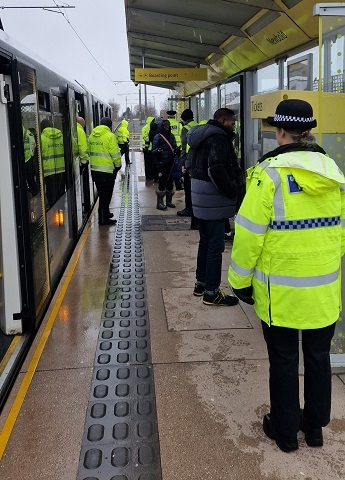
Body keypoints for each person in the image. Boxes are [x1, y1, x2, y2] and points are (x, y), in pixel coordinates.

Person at [228, 99, 345, 453]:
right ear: (308, 131)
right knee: (318, 357)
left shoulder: (270, 174)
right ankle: (314, 429)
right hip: (323, 287)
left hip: (279, 291)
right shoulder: (333, 172)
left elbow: (248, 233)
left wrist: (239, 281)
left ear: (280, 132)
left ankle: (284, 432)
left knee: (283, 360)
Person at [188, 107, 244, 306]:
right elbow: (216, 169)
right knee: (215, 246)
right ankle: (212, 292)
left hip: (201, 200)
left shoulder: (201, 136)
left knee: (205, 242)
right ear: (222, 120)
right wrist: (232, 190)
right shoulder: (219, 139)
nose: (234, 124)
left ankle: (201, 284)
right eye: (231, 121)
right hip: (213, 201)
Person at [88, 117, 122, 225]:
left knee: (101, 194)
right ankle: (103, 219)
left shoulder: (92, 136)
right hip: (107, 172)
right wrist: (118, 166)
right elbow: (115, 154)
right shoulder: (110, 136)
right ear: (109, 126)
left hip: (95, 171)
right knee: (106, 196)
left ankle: (106, 213)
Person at [176, 108, 198, 228]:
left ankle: (188, 208)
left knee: (188, 187)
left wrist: (183, 164)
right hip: (197, 161)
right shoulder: (198, 125)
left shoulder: (185, 129)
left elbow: (184, 148)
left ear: (184, 119)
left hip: (189, 162)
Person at [152, 119, 177, 210]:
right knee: (162, 182)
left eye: (168, 126)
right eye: (165, 126)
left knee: (170, 181)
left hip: (171, 162)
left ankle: (169, 201)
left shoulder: (171, 136)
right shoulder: (157, 137)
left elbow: (174, 146)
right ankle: (159, 203)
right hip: (161, 163)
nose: (167, 127)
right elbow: (153, 151)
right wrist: (157, 151)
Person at [40, 118, 66, 208]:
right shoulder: (61, 135)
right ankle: (61, 208)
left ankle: (53, 208)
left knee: (51, 192)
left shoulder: (41, 138)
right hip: (61, 169)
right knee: (60, 191)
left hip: (48, 171)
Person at [166, 110, 183, 190]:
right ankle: (178, 184)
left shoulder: (165, 124)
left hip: (169, 148)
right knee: (177, 165)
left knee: (169, 165)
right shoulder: (178, 124)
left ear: (168, 116)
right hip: (178, 148)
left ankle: (169, 184)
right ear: (174, 116)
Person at [141, 116, 155, 180]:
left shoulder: (144, 128)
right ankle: (152, 175)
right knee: (152, 163)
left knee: (147, 163)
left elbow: (145, 137)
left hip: (146, 148)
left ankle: (148, 176)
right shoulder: (154, 128)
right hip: (152, 148)